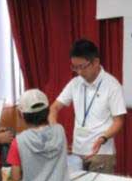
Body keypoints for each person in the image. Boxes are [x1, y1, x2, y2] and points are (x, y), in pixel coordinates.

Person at [49, 39, 127, 174]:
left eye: (82, 66)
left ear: (95, 62)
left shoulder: (112, 85)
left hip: (101, 153)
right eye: (74, 67)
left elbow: (119, 121)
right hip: (77, 151)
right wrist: (55, 130)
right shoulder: (75, 83)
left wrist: (103, 138)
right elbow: (54, 108)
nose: (79, 72)